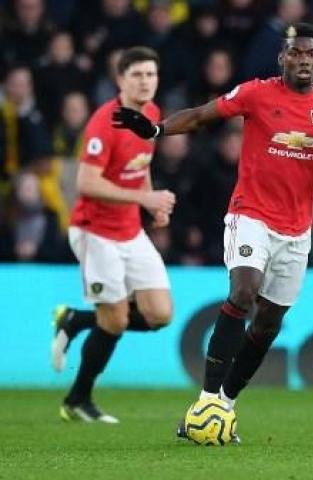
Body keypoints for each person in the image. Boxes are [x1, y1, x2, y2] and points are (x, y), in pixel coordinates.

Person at [112, 23, 313, 436]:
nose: (303, 60)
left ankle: (225, 406)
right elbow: (200, 116)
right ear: (281, 58)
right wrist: (158, 130)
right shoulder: (256, 92)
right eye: (296, 53)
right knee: (243, 292)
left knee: (268, 323)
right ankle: (208, 399)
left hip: (297, 230)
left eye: (311, 54)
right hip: (250, 215)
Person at [50, 46, 177, 423]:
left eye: (151, 75)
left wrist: (151, 204)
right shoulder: (105, 123)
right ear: (120, 79)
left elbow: (141, 166)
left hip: (129, 229)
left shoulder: (152, 114)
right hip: (95, 232)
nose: (145, 82)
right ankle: (77, 400)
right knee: (117, 320)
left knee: (159, 314)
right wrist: (145, 197)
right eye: (137, 74)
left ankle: (74, 320)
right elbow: (86, 183)